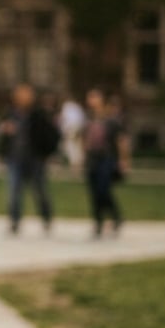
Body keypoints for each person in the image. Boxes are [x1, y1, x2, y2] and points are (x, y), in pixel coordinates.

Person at [0, 83, 60, 234]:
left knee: (40, 191)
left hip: (35, 158)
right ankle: (14, 221)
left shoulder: (38, 115)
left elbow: (52, 135)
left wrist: (46, 153)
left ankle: (46, 217)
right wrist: (4, 143)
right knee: (14, 191)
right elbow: (1, 135)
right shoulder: (10, 114)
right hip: (15, 158)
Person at [83, 88, 131, 237]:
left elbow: (121, 141)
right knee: (93, 192)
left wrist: (124, 160)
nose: (91, 100)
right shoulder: (88, 119)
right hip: (92, 159)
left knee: (103, 189)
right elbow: (84, 139)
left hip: (106, 158)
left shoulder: (111, 120)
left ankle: (116, 216)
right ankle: (98, 222)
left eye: (94, 97)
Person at [58, 94, 85, 169]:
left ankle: (74, 162)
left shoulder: (67, 106)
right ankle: (78, 161)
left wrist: (65, 129)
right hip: (78, 127)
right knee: (77, 145)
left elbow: (65, 119)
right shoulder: (77, 107)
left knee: (71, 144)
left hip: (71, 128)